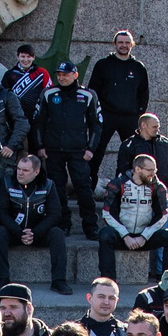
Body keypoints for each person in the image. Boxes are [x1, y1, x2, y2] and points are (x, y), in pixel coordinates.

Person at [31, 60, 103, 240]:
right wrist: (40, 146)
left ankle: (91, 226)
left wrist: (91, 149)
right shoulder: (49, 93)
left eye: (66, 74)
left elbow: (97, 125)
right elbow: (38, 122)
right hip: (53, 150)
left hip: (79, 151)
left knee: (84, 188)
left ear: (75, 75)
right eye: (60, 74)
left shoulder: (88, 95)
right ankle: (63, 224)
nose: (62, 77)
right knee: (56, 189)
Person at [0, 151, 71, 294]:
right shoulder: (7, 183)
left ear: (36, 172)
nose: (20, 173)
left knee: (57, 234)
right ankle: (2, 278)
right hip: (14, 231)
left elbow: (55, 214)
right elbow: (1, 212)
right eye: (18, 169)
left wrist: (35, 233)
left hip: (38, 232)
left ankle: (59, 281)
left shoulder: (48, 185)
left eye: (25, 170)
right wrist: (19, 232)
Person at [96, 153, 168, 284]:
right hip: (122, 236)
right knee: (105, 235)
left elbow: (163, 215)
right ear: (137, 169)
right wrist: (126, 236)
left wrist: (144, 236)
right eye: (150, 170)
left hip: (145, 237)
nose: (153, 174)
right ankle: (107, 282)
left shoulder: (158, 187)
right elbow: (107, 213)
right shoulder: (117, 184)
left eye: (155, 170)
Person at [89, 30, 149, 178]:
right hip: (106, 116)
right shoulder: (103, 65)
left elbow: (144, 93)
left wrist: (139, 114)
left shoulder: (138, 67)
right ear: (114, 44)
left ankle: (128, 185)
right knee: (95, 152)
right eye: (121, 42)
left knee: (133, 154)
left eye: (127, 43)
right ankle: (87, 190)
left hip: (130, 118)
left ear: (132, 45)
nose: (124, 45)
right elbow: (93, 91)